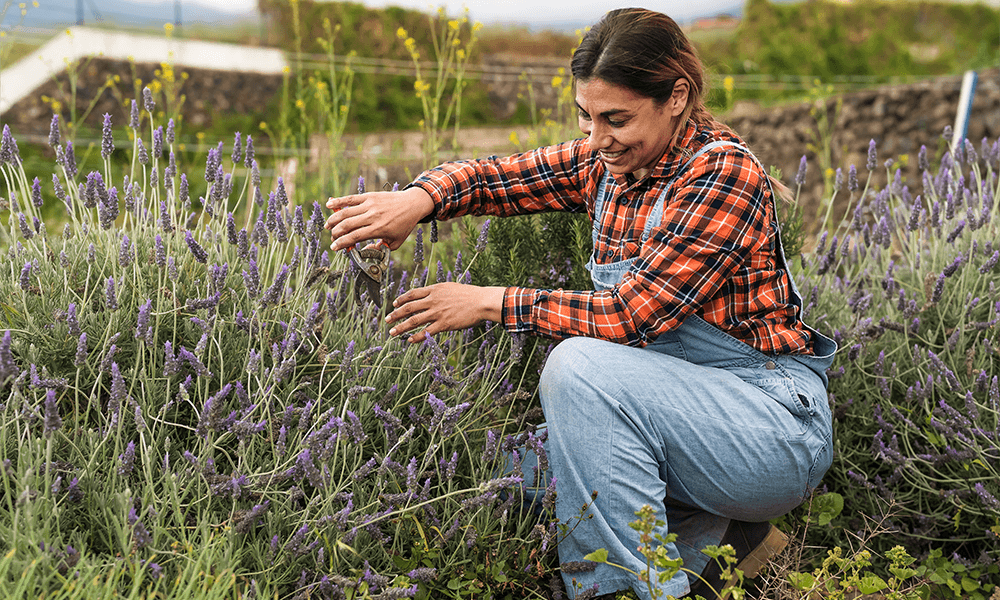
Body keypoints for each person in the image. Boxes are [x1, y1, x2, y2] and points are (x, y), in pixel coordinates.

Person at [325, 8, 837, 599]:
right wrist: (419, 199)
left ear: (677, 96)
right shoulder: (613, 165)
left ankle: (619, 590)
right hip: (682, 421)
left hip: (769, 427)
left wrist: (490, 301)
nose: (597, 140)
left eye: (615, 119)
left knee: (579, 369)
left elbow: (631, 314)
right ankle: (727, 545)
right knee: (503, 469)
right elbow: (497, 177)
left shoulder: (722, 172)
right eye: (586, 118)